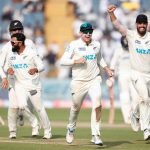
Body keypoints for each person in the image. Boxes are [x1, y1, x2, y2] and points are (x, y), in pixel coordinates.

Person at [60, 22, 114, 145]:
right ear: (80, 33)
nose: (88, 34)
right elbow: (63, 61)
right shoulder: (74, 45)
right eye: (85, 32)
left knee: (97, 104)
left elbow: (100, 59)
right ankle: (71, 128)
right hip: (79, 81)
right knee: (75, 107)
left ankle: (95, 134)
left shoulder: (97, 44)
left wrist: (107, 69)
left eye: (90, 32)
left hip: (94, 79)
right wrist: (76, 60)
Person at [108, 5, 150, 141]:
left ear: (147, 25)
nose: (142, 25)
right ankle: (146, 129)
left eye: (144, 23)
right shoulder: (131, 35)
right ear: (136, 24)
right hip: (137, 74)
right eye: (140, 23)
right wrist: (112, 14)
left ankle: (135, 114)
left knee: (142, 100)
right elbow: (118, 26)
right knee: (145, 99)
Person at [5, 32, 52, 139]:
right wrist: (9, 69)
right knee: (21, 106)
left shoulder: (31, 53)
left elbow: (42, 66)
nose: (11, 44)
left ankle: (47, 131)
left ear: (20, 43)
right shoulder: (11, 54)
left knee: (39, 109)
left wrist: (35, 69)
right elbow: (6, 67)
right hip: (19, 85)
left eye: (13, 42)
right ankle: (34, 122)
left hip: (33, 85)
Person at [0, 20, 40, 139]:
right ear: (10, 32)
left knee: (26, 106)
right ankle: (13, 132)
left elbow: (37, 61)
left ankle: (28, 119)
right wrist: (4, 77)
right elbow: (1, 64)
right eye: (14, 30)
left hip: (29, 81)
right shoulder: (6, 47)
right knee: (13, 107)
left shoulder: (30, 43)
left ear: (22, 31)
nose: (16, 32)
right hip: (14, 82)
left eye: (19, 30)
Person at [110, 36, 139, 124]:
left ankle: (135, 115)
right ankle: (127, 118)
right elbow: (113, 63)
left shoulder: (134, 49)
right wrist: (111, 75)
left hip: (134, 74)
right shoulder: (118, 50)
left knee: (136, 97)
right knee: (124, 96)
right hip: (122, 75)